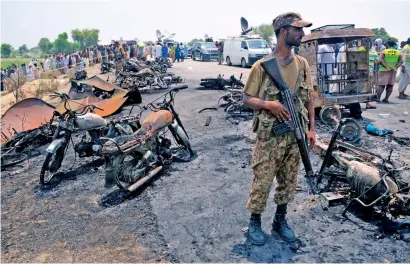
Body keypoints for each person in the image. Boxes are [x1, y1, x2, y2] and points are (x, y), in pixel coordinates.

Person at [242, 12, 315, 246]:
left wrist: (312, 129)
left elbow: (310, 99)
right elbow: (247, 98)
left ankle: (280, 221)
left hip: (296, 135)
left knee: (289, 180)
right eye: (298, 29)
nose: (302, 34)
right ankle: (255, 222)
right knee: (263, 179)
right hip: (270, 135)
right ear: (283, 32)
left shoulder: (302, 64)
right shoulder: (261, 66)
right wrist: (268, 104)